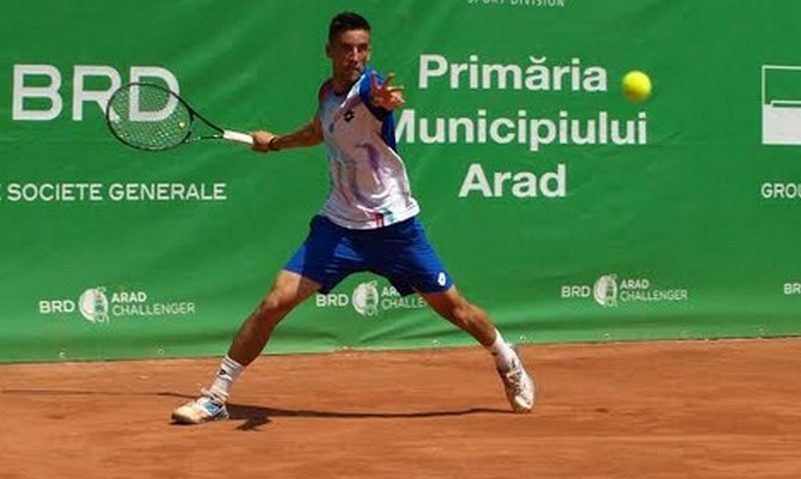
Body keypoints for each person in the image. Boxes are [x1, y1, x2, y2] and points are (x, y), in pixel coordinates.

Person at [171, 11, 534, 424]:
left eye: (362, 48)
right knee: (273, 303)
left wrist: (385, 101)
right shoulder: (328, 92)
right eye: (346, 48)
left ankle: (507, 359)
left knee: (456, 309)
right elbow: (318, 131)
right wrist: (274, 144)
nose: (355, 56)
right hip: (339, 226)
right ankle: (217, 396)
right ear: (329, 50)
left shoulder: (370, 93)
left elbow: (381, 102)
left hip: (395, 228)